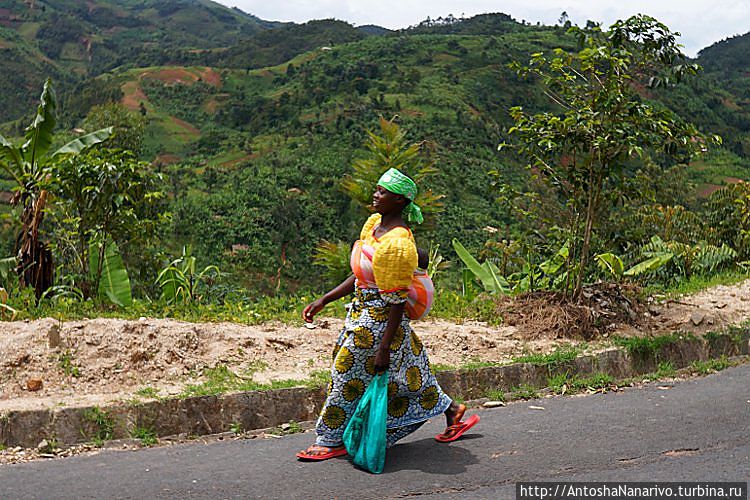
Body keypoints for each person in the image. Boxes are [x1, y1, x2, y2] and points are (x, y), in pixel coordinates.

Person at [297, 168, 479, 461]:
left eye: (382, 192)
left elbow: (396, 301)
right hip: (360, 312)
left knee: (344, 372)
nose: (375, 195)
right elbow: (361, 274)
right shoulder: (373, 227)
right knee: (411, 372)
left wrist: (384, 347)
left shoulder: (397, 245)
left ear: (399, 201)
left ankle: (330, 439)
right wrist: (324, 300)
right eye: (377, 189)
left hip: (380, 321)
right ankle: (452, 410)